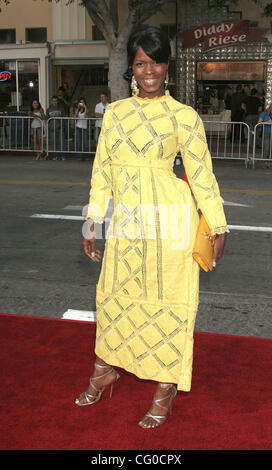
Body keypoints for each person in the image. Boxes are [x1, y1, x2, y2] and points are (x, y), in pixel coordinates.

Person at [75, 25, 229, 429]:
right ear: (132, 67)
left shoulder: (184, 116)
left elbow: (203, 175)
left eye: (156, 62)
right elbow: (102, 171)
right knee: (113, 297)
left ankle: (166, 385)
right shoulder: (116, 114)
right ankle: (105, 369)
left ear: (167, 66)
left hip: (170, 222)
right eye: (141, 62)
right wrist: (93, 218)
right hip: (127, 221)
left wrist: (218, 224)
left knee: (169, 302)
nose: (149, 70)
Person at [46, 96, 66, 160]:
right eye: (53, 101)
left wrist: (62, 125)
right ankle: (55, 155)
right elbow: (47, 118)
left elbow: (64, 117)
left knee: (61, 142)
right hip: (52, 128)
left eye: (55, 101)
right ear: (51, 102)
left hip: (60, 127)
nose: (54, 102)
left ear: (57, 102)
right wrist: (49, 126)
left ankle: (62, 155)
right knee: (54, 142)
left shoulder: (61, 109)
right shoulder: (48, 109)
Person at [258, 103, 272, 168]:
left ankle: (269, 162)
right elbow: (259, 123)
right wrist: (266, 122)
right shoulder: (264, 113)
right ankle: (264, 162)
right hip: (267, 132)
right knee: (267, 147)